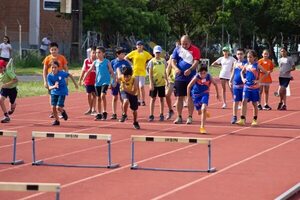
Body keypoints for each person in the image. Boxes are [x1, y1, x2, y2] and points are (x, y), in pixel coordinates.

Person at [171, 35, 201, 124]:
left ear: (190, 42)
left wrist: (190, 69)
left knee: (190, 97)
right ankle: (179, 116)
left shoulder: (195, 50)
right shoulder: (177, 49)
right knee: (179, 97)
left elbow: (196, 62)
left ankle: (190, 117)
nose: (184, 45)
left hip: (191, 77)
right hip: (179, 78)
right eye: (182, 43)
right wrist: (175, 68)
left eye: (186, 44)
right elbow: (173, 61)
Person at [236, 50, 268, 126]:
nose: (248, 58)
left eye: (250, 57)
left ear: (254, 58)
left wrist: (259, 80)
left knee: (254, 103)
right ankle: (242, 119)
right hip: (247, 86)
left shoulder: (257, 65)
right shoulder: (246, 65)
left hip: (254, 88)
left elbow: (266, 72)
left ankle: (255, 119)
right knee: (244, 101)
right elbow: (241, 72)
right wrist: (243, 79)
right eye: (247, 57)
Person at [84, 46, 115, 121]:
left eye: (99, 52)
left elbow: (111, 71)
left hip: (105, 81)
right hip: (97, 82)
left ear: (103, 53)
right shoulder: (95, 62)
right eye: (96, 52)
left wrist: (113, 81)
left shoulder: (107, 61)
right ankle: (99, 113)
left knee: (103, 95)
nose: (97, 54)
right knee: (98, 98)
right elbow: (89, 70)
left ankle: (104, 112)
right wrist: (84, 78)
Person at [187, 65, 220, 134]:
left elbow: (215, 84)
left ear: (206, 73)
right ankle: (204, 113)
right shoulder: (196, 77)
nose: (202, 75)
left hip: (205, 94)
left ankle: (202, 127)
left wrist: (217, 94)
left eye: (204, 73)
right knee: (199, 112)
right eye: (201, 73)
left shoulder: (209, 76)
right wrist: (188, 97)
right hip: (196, 95)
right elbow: (189, 86)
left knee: (203, 108)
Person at [47, 60, 78, 125]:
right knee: (53, 107)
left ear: (58, 68)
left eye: (55, 67)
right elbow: (49, 87)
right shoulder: (49, 76)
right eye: (52, 67)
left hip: (62, 92)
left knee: (58, 107)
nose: (54, 69)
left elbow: (70, 75)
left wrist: (75, 84)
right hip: (54, 92)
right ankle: (57, 121)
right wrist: (54, 86)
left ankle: (63, 112)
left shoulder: (62, 73)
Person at [42, 42, 68, 118]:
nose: (54, 51)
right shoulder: (47, 58)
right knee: (52, 95)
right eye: (52, 50)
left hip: (60, 80)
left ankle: (60, 110)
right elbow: (44, 70)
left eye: (55, 49)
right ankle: (53, 112)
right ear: (50, 50)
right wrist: (45, 81)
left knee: (60, 95)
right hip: (51, 80)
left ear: (58, 50)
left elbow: (66, 68)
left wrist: (66, 79)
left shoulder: (62, 58)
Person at [125, 40, 152, 106]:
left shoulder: (145, 53)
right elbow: (126, 57)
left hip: (142, 71)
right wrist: (131, 64)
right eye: (138, 45)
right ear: (136, 46)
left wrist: (147, 64)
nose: (139, 46)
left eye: (141, 45)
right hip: (135, 71)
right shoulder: (134, 52)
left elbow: (151, 58)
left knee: (141, 86)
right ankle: (138, 100)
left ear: (143, 46)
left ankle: (143, 100)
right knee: (136, 87)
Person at [147, 45, 168, 121]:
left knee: (161, 99)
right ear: (154, 53)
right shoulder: (151, 61)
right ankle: (151, 115)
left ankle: (161, 114)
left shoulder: (163, 61)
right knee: (153, 99)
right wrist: (151, 83)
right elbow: (150, 73)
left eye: (159, 52)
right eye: (156, 52)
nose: (157, 54)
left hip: (162, 83)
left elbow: (165, 72)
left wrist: (167, 81)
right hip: (154, 83)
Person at [110, 47, 131, 120]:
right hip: (115, 82)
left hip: (123, 83)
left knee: (123, 98)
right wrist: (112, 82)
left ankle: (124, 113)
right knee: (114, 97)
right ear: (118, 54)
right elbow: (111, 72)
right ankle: (114, 113)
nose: (124, 55)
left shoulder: (126, 62)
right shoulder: (113, 62)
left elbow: (129, 72)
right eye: (122, 54)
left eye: (124, 53)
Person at [78, 46, 97, 115]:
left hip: (96, 81)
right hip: (88, 81)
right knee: (88, 94)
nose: (94, 54)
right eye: (93, 53)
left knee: (94, 95)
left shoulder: (98, 62)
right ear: (90, 53)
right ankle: (90, 108)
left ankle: (94, 109)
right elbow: (83, 71)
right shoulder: (86, 61)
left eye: (96, 53)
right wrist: (80, 80)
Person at [229, 48, 246, 124]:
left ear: (244, 55)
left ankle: (242, 117)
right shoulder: (235, 62)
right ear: (236, 55)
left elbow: (247, 71)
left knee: (243, 102)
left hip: (244, 86)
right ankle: (234, 117)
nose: (240, 56)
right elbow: (233, 72)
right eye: (238, 54)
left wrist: (241, 67)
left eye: (241, 54)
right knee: (235, 101)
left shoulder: (246, 63)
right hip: (236, 85)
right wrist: (230, 80)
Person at [165, 56, 175, 120]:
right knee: (167, 95)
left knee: (181, 97)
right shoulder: (173, 55)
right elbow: (168, 67)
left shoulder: (186, 54)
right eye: (177, 44)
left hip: (181, 79)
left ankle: (180, 115)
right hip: (172, 79)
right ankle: (170, 110)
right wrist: (166, 80)